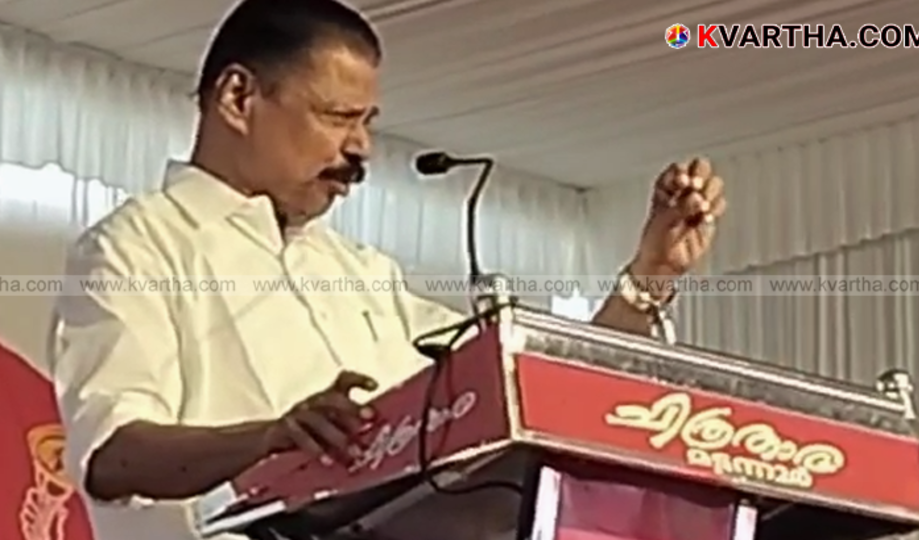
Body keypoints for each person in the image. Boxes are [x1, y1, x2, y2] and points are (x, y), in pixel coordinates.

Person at [49, 0, 727, 539]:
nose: (360, 147)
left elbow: (524, 382)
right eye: (336, 116)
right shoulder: (137, 246)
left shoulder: (363, 273)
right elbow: (114, 455)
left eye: (367, 120)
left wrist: (647, 278)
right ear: (236, 97)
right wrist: (274, 439)